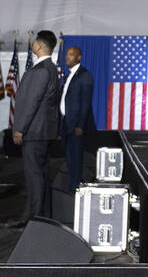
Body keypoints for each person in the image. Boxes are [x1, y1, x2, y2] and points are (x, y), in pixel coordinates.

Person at [12, 30, 60, 221]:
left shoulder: (41, 70)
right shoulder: (50, 68)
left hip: (34, 131)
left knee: (35, 178)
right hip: (43, 131)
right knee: (41, 175)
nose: (32, 43)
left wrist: (20, 128)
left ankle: (36, 219)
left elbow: (31, 102)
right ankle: (44, 218)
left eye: (34, 41)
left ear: (39, 45)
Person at [59, 43, 94, 191]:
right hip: (65, 123)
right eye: (67, 54)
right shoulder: (67, 76)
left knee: (76, 158)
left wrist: (80, 125)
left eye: (71, 54)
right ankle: (72, 185)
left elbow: (85, 103)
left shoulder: (85, 75)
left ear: (79, 57)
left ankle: (75, 188)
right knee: (69, 158)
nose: (67, 56)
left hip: (76, 126)